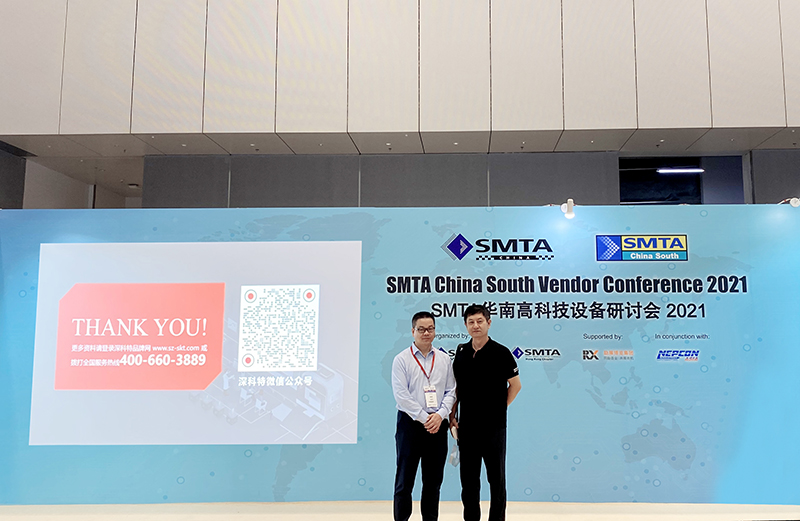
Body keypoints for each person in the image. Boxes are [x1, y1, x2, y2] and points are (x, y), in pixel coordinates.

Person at [450, 304, 521, 521]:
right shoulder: (461, 352)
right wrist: (453, 416)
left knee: (496, 480)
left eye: (480, 321)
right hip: (467, 428)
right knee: (468, 481)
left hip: (494, 429)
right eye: (471, 322)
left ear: (489, 323)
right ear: (465, 325)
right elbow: (456, 389)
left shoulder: (501, 352)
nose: (476, 325)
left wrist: (499, 408)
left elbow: (515, 385)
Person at [391, 311, 456, 521]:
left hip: (438, 425)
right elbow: (401, 396)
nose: (426, 333)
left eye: (430, 329)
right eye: (421, 329)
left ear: (435, 331)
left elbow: (451, 391)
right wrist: (424, 417)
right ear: (413, 331)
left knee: (433, 481)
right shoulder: (401, 359)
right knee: (404, 480)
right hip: (410, 425)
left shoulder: (444, 359)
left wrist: (440, 415)